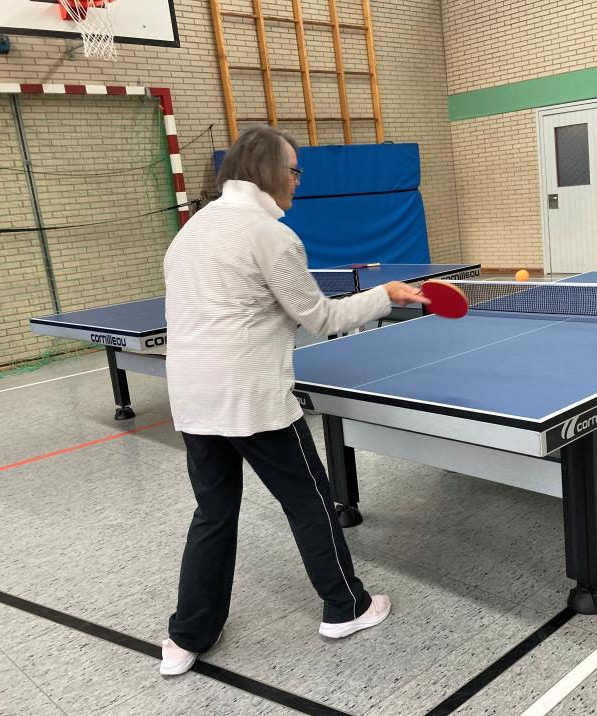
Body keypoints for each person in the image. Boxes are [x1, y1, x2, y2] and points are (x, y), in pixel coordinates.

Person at [159, 126, 429, 676]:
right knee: (309, 500)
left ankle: (186, 637)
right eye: (294, 170)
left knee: (213, 513)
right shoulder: (271, 235)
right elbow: (321, 318)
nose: (297, 181)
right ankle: (346, 607)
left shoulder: (192, 230)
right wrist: (385, 295)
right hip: (251, 398)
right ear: (268, 171)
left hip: (190, 396)